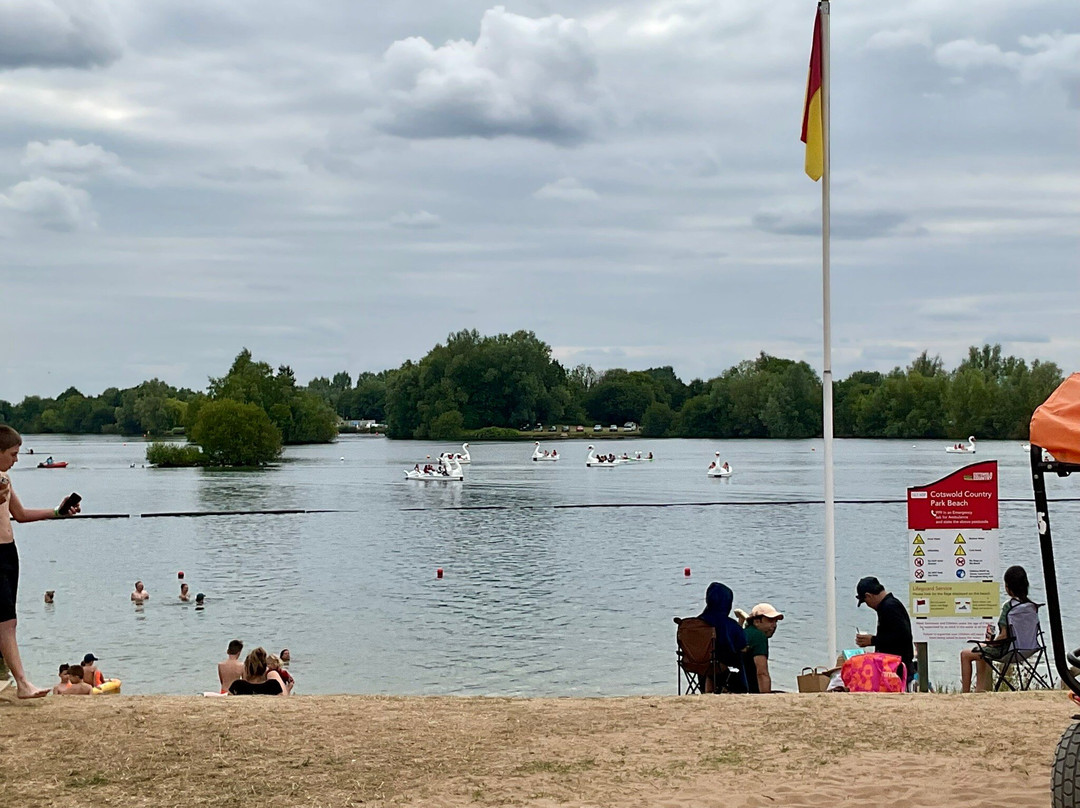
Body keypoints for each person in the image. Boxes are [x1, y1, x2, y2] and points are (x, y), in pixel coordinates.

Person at [0, 425, 82, 699]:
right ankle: (23, 684)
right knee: (6, 622)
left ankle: (12, 679)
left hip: (9, 552)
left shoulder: (5, 481)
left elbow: (20, 514)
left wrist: (57, 512)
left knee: (8, 620)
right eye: (12, 454)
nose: (16, 459)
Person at [960, 565, 1034, 693]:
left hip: (1009, 651)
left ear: (1008, 588)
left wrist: (991, 643)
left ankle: (965, 693)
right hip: (1029, 649)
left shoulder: (1009, 607)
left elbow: (1004, 636)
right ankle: (979, 690)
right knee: (982, 648)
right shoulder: (1031, 606)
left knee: (966, 654)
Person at [855, 576, 914, 684]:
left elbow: (903, 636)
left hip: (897, 667)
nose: (868, 605)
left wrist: (873, 640)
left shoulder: (890, 607)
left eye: (865, 601)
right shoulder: (887, 606)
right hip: (894, 665)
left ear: (868, 596)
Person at [697, 582, 748, 692]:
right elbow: (743, 646)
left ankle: (707, 690)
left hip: (696, 664)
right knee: (741, 656)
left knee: (707, 658)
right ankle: (740, 688)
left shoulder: (696, 623)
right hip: (721, 665)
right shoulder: (729, 624)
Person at [743, 603, 784, 694]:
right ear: (757, 622)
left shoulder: (745, 632)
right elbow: (762, 673)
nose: (774, 625)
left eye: (775, 621)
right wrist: (765, 697)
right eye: (770, 621)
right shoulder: (759, 636)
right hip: (751, 690)